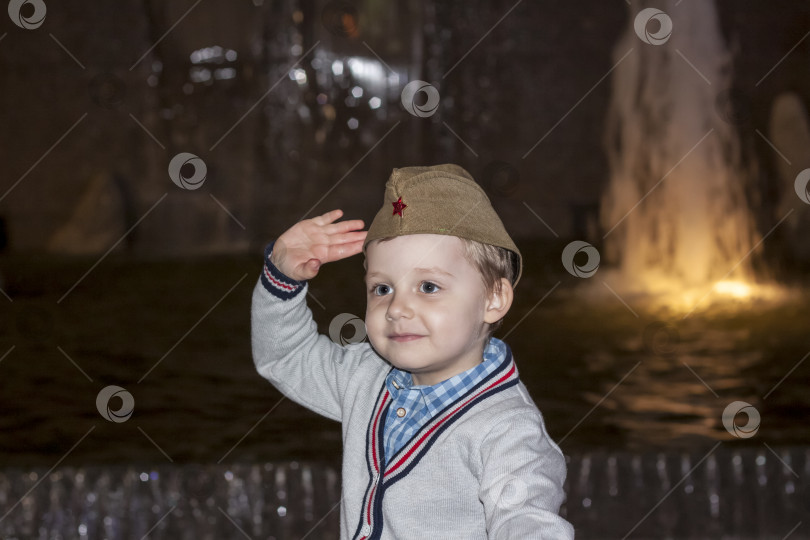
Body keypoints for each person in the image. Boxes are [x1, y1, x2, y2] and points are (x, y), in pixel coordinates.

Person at [251, 164, 574, 539]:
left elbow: (528, 521)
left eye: (429, 286)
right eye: (382, 289)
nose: (397, 308)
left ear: (494, 298)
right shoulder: (364, 377)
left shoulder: (506, 429)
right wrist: (281, 277)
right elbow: (286, 357)